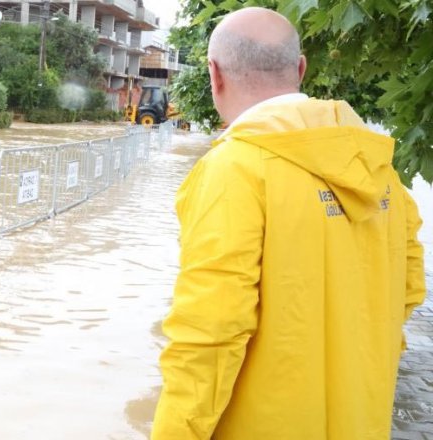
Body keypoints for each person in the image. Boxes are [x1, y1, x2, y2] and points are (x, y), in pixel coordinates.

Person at [152, 7, 425, 440]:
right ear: (300, 68)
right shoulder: (379, 170)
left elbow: (208, 337)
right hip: (363, 421)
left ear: (214, 74)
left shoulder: (234, 170)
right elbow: (408, 289)